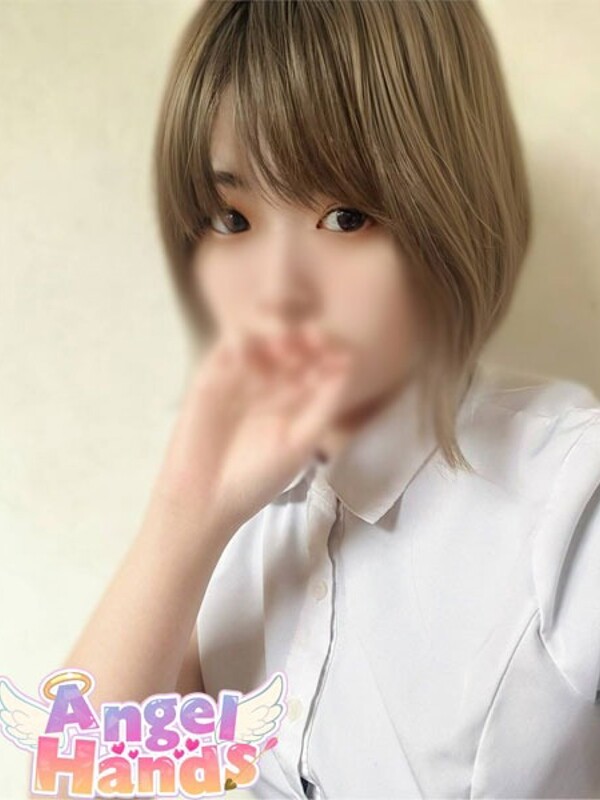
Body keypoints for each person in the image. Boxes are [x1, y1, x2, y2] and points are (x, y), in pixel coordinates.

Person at [62, 2, 600, 798]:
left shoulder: (568, 496)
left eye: (344, 217)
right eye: (232, 218)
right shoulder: (229, 489)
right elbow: (86, 780)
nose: (278, 289)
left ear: (448, 205)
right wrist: (184, 516)